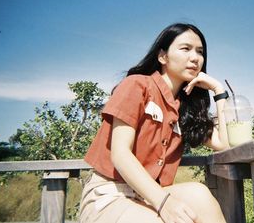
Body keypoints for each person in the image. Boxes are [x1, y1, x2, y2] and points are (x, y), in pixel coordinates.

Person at [80, 23, 230, 223]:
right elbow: (120, 153)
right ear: (162, 56)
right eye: (185, 49)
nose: (195, 58)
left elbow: (225, 144)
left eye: (200, 52)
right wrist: (164, 203)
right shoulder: (136, 85)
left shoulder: (186, 109)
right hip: (111, 194)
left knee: (200, 194)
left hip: (152, 196)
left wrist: (219, 90)